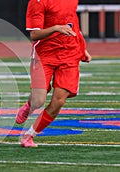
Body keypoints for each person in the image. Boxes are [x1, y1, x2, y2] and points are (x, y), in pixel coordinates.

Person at [15, 0, 92, 148]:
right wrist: (56, 28)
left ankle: (29, 135)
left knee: (59, 101)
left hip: (69, 53)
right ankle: (30, 104)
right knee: (39, 101)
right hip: (45, 55)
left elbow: (73, 22)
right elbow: (34, 34)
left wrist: (82, 48)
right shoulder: (37, 2)